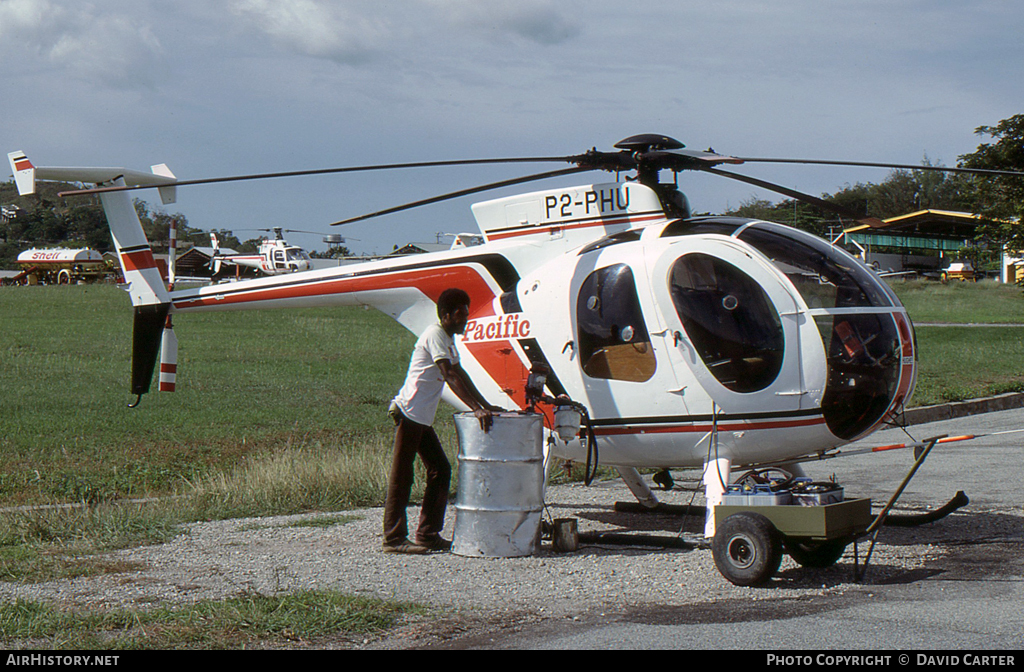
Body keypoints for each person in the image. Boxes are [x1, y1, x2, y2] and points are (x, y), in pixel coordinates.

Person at [382, 288, 498, 554]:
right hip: (409, 412)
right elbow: (449, 375)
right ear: (446, 315)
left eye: (466, 314)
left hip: (420, 417)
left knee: (440, 470)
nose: (465, 320)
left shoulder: (446, 337)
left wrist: (484, 405)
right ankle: (393, 538)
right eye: (460, 315)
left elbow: (459, 372)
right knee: (402, 476)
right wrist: (475, 409)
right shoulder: (435, 334)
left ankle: (427, 534)